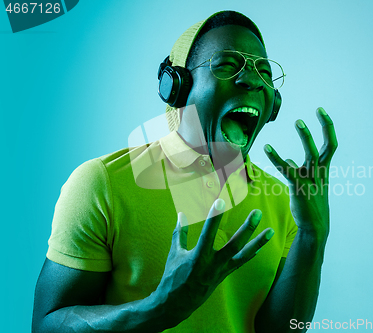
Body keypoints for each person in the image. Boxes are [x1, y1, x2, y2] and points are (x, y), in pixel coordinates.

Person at [32, 10, 338, 333]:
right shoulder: (100, 183)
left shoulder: (285, 202)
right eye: (226, 65)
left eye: (264, 73)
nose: (251, 81)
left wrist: (312, 236)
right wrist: (158, 309)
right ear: (178, 88)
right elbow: (46, 326)